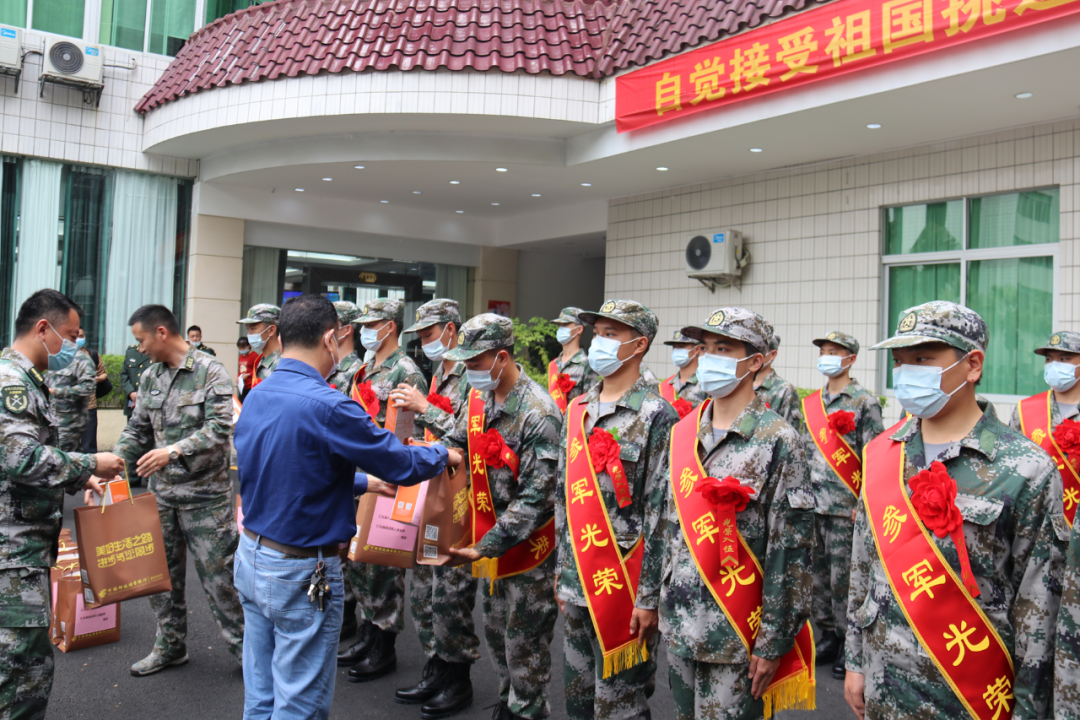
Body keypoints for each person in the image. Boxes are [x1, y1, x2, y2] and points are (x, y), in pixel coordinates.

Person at [233, 293, 461, 720]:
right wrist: (442, 456)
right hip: (301, 570)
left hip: (251, 556)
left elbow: (287, 468)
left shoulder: (260, 394)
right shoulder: (328, 404)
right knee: (299, 703)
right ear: (330, 339)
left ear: (279, 339)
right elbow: (397, 461)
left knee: (261, 694)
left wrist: (359, 481)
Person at [846, 301, 1064, 720]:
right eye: (901, 361)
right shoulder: (880, 453)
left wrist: (1030, 709)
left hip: (970, 693)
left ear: (972, 365)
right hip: (883, 682)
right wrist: (855, 659)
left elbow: (1039, 608)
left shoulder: (1026, 468)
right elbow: (863, 566)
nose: (908, 373)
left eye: (924, 359)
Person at [658, 307, 814, 719]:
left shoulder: (779, 440)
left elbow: (790, 554)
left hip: (738, 630)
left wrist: (772, 641)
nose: (708, 358)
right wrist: (648, 601)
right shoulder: (682, 433)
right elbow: (662, 527)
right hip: (680, 618)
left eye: (723, 348)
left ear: (756, 361)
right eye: (705, 347)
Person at [421, 313, 563, 720]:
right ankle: (509, 700)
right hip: (489, 542)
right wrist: (420, 456)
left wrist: (483, 546)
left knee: (526, 641)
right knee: (497, 631)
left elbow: (537, 499)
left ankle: (528, 709)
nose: (468, 372)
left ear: (501, 357)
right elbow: (457, 441)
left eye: (475, 363)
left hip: (525, 551)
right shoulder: (480, 398)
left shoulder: (539, 413)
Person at [553, 300, 677, 720]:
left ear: (638, 345)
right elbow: (563, 494)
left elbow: (663, 515)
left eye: (611, 334)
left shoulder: (658, 415)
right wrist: (560, 567)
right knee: (577, 695)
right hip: (577, 577)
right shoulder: (578, 409)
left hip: (624, 584)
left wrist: (649, 598)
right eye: (597, 333)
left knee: (619, 704)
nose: (598, 342)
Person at [0, 289, 120, 719]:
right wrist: (91, 461)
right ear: (42, 329)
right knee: (22, 675)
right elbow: (22, 458)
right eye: (69, 336)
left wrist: (82, 477)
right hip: (12, 554)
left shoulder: (23, 377)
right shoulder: (12, 383)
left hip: (20, 547)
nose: (74, 347)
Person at [109, 304, 245, 676]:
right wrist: (113, 463)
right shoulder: (151, 376)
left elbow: (221, 427)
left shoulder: (211, 371)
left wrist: (172, 450)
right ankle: (170, 645)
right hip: (162, 497)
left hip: (205, 499)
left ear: (162, 333)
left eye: (141, 340)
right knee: (161, 579)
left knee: (222, 581)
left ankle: (248, 652)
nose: (139, 349)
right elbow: (137, 430)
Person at [388, 299, 482, 716]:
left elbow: (470, 434)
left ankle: (457, 678)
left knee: (453, 591)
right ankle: (437, 667)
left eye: (428, 335)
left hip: (460, 497)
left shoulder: (471, 375)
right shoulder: (437, 373)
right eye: (420, 338)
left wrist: (425, 409)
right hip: (432, 486)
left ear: (450, 330)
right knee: (426, 588)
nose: (423, 344)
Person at [344, 298, 429, 682]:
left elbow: (405, 432)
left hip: (384, 477)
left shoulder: (405, 370)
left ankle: (384, 641)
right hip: (358, 475)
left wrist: (394, 475)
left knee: (383, 561)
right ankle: (367, 629)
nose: (365, 330)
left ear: (390, 326)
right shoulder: (364, 368)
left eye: (372, 323)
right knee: (359, 559)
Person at [799, 331, 882, 680]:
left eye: (834, 352)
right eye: (824, 351)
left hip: (844, 506)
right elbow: (804, 452)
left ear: (850, 359)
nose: (827, 357)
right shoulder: (813, 402)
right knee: (817, 576)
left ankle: (851, 642)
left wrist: (862, 502)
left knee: (845, 579)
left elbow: (875, 456)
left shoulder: (864, 401)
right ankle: (829, 634)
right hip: (813, 505)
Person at [43, 326, 96, 453]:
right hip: (51, 419)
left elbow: (88, 387)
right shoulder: (56, 358)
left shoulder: (82, 360)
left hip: (69, 422)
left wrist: (58, 392)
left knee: (61, 457)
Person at [548, 307, 599, 412]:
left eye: (566, 324)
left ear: (579, 329)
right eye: (560, 325)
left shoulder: (587, 364)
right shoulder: (553, 364)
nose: (561, 329)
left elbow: (590, 403)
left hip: (573, 423)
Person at [753, 333, 804, 434]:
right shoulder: (739, 384)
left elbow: (791, 434)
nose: (754, 354)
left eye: (761, 349)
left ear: (772, 354)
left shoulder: (784, 390)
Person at [657, 330, 707, 412]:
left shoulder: (706, 384)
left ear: (697, 350)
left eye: (681, 346)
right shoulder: (665, 385)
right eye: (674, 347)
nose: (676, 351)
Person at [79, 330, 109, 453]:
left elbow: (103, 374)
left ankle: (90, 470)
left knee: (89, 445)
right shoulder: (62, 355)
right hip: (69, 407)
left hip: (89, 405)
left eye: (81, 336)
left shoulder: (92, 354)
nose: (78, 339)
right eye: (75, 336)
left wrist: (98, 379)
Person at [237, 304, 281, 384]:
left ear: (271, 330)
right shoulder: (261, 360)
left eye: (253, 328)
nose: (249, 334)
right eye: (248, 329)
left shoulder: (282, 364)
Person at [326, 301, 362, 394]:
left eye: (331, 324)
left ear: (347, 329)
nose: (324, 328)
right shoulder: (323, 364)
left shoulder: (356, 372)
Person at [121, 341, 152, 419]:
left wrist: (141, 396)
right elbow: (124, 374)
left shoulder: (156, 353)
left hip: (149, 403)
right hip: (132, 403)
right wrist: (130, 392)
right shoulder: (131, 351)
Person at [236, 337, 258, 402]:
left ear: (249, 345)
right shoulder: (240, 357)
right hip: (242, 386)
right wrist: (238, 377)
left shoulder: (254, 355)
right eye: (240, 348)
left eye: (243, 347)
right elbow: (240, 370)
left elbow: (257, 370)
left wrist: (248, 375)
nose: (241, 349)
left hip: (251, 386)